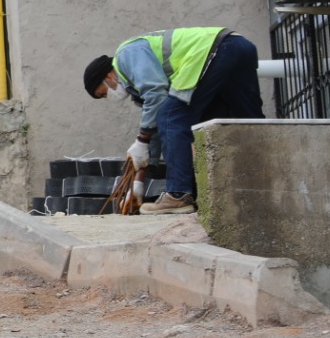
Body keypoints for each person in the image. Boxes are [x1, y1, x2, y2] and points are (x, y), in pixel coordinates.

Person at [84, 27, 263, 213]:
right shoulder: (137, 86)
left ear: (108, 76)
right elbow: (154, 131)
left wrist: (140, 140)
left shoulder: (126, 55)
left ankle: (178, 195)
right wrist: (138, 182)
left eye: (104, 93)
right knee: (245, 120)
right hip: (239, 46)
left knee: (172, 117)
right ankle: (262, 184)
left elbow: (157, 96)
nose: (109, 97)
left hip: (213, 51)